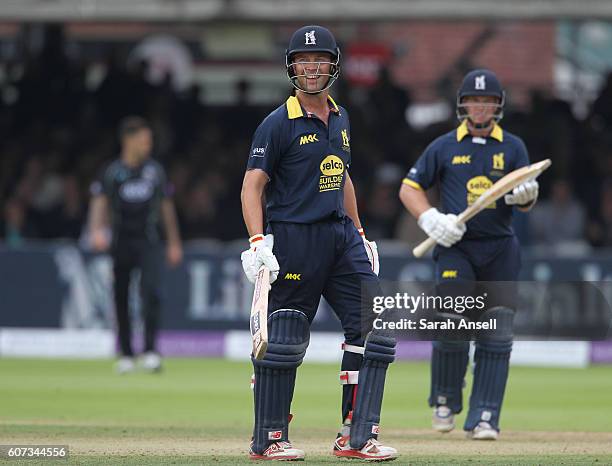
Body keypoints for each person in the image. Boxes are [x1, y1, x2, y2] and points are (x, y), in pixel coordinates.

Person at [240, 25, 397, 461]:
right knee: (285, 338)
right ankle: (269, 438)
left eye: (321, 60)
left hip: (340, 235)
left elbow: (341, 174)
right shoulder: (277, 123)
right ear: (293, 66)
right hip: (293, 236)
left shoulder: (341, 117)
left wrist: (360, 232)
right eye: (305, 60)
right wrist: (257, 242)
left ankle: (356, 436)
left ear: (334, 66)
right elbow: (252, 186)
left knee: (376, 328)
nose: (313, 67)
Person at [399, 69, 539, 440]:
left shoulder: (513, 147)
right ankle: (445, 398)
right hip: (455, 247)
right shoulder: (444, 146)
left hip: (500, 249)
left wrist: (527, 197)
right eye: (474, 100)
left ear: (498, 105)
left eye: (488, 101)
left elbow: (524, 196)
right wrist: (430, 218)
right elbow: (409, 188)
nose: (481, 107)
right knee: (451, 323)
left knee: (497, 332)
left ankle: (486, 416)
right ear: (463, 105)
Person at [89, 116, 182, 374]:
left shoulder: (155, 172)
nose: (148, 145)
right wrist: (96, 231)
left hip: (149, 241)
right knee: (120, 295)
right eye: (144, 140)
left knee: (151, 293)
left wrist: (174, 242)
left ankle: (150, 350)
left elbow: (166, 207)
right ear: (128, 141)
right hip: (120, 242)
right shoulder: (112, 172)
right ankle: (127, 353)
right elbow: (99, 202)